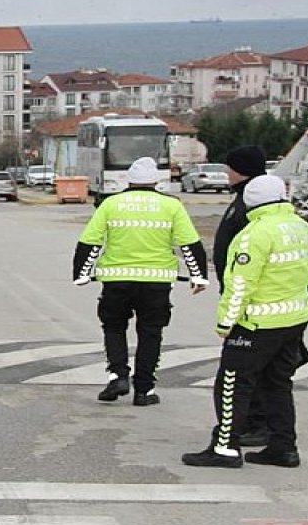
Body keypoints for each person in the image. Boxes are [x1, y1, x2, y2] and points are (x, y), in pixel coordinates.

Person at [182, 175, 308, 468]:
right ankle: (283, 447)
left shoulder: (253, 234)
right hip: (294, 320)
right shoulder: (305, 229)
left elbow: (240, 285)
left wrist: (225, 324)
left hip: (256, 324)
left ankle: (225, 448)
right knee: (278, 384)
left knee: (232, 384)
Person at [72, 157, 209, 406]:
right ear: (156, 181)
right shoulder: (171, 206)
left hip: (116, 280)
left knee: (114, 327)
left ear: (129, 180)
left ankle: (118, 375)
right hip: (156, 283)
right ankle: (144, 390)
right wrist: (198, 276)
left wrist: (82, 273)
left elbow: (91, 240)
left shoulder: (111, 204)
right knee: (151, 333)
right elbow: (189, 243)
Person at [212, 145, 273, 446]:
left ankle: (254, 425)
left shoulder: (253, 202)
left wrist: (231, 311)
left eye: (230, 167)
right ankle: (254, 423)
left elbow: (250, 260)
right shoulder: (245, 197)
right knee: (252, 371)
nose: (226, 172)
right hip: (246, 301)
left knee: (243, 373)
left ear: (243, 169)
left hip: (253, 307)